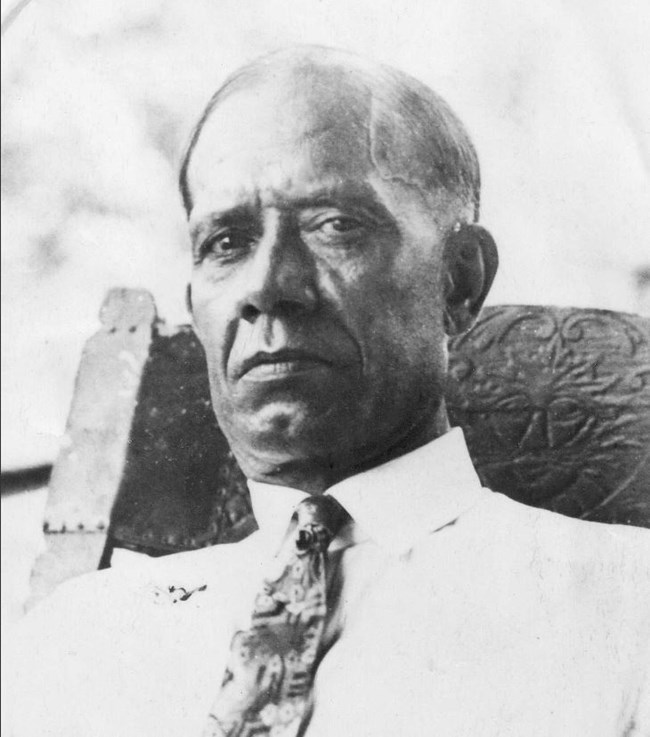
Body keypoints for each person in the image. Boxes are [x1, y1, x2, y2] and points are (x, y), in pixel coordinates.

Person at [4, 46, 649, 737]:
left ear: (457, 280)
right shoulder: (74, 640)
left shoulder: (625, 607)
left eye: (334, 225)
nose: (268, 285)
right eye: (226, 241)